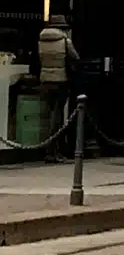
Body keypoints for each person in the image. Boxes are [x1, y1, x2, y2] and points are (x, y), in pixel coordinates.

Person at [37, 13, 77, 160]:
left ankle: (47, 149)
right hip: (60, 81)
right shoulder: (65, 40)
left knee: (48, 115)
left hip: (45, 80)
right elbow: (75, 57)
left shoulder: (41, 40)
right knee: (57, 116)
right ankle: (53, 151)